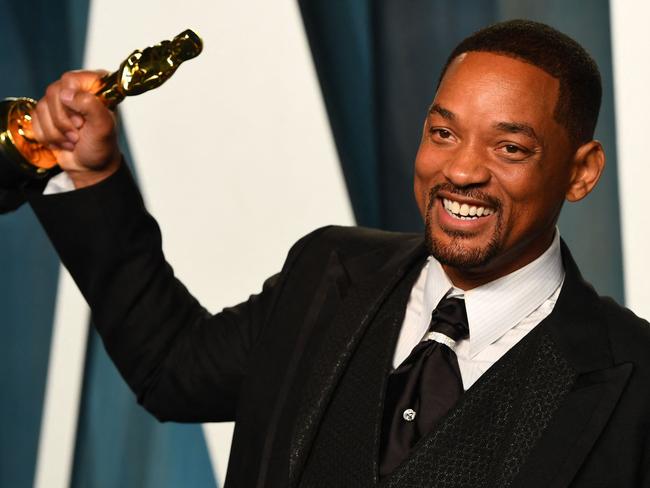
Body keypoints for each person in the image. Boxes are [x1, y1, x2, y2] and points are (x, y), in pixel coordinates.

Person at [26, 19, 650, 487]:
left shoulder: (636, 380)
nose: (461, 170)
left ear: (581, 172)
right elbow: (172, 369)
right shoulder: (327, 273)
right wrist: (94, 175)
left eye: (509, 148)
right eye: (443, 133)